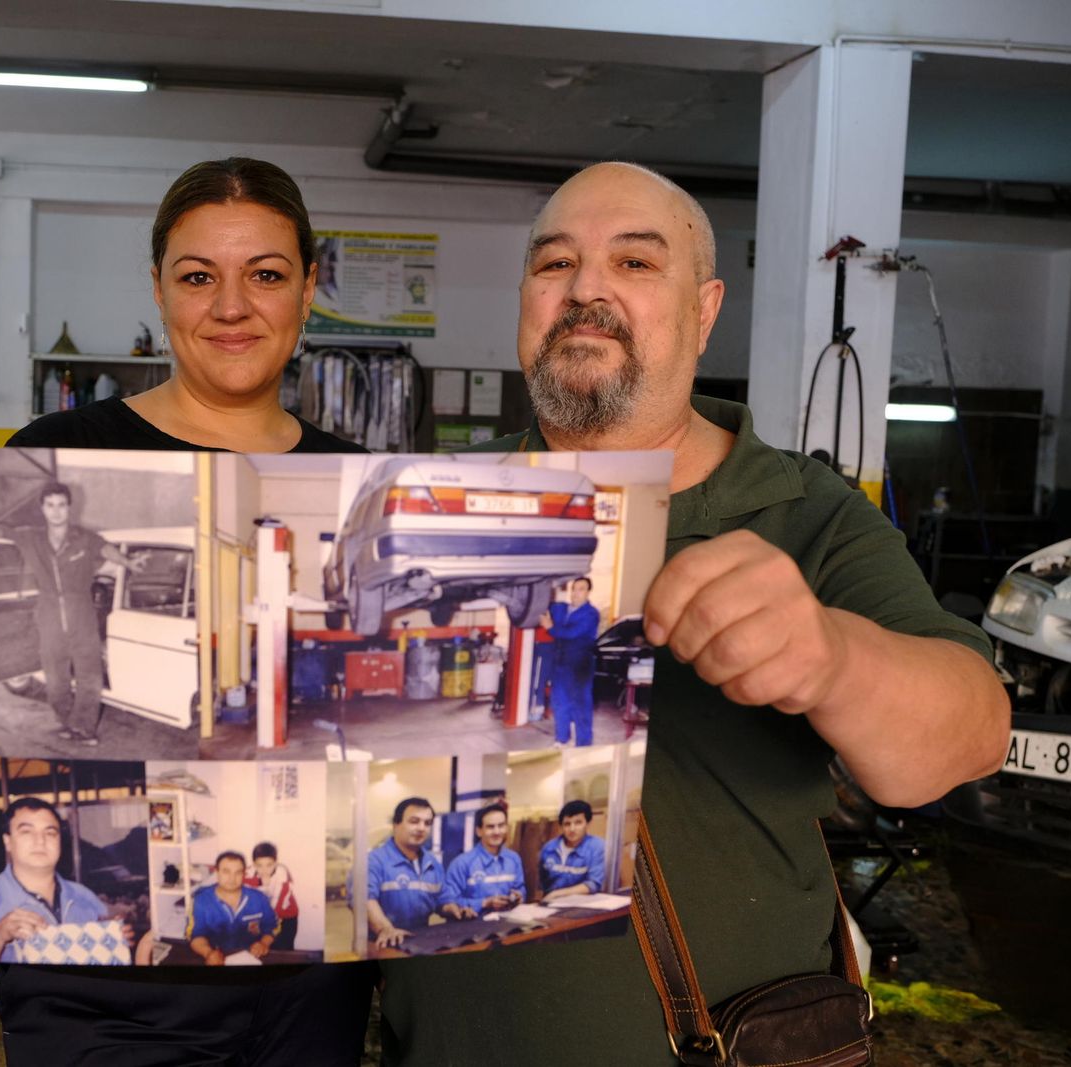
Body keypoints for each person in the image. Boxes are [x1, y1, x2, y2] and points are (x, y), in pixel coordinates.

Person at [377, 162, 1009, 1065]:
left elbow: (971, 732)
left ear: (705, 310)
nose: (585, 287)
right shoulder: (432, 504)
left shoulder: (806, 510)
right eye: (555, 264)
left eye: (634, 264)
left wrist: (837, 659)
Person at [0, 158, 373, 1067]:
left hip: (309, 988)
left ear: (309, 288)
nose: (231, 306)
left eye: (266, 274)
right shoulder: (58, 448)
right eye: (198, 276)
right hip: (100, 996)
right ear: (159, 287)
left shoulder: (354, 475)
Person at [0, 481, 143, 745]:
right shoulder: (31, 537)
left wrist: (128, 562)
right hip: (49, 613)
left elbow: (105, 548)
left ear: (69, 508)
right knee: (55, 678)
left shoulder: (84, 538)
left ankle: (85, 729)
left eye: (61, 505)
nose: (56, 511)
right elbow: (2, 530)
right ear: (42, 508)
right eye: (50, 505)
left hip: (81, 612)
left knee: (89, 674)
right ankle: (68, 722)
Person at [0, 797, 119, 963]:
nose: (40, 841)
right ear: (7, 841)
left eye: (50, 832)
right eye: (26, 831)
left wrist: (114, 939)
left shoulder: (84, 898)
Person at [365, 797, 448, 949]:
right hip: (381, 945)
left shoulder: (433, 864)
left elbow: (442, 899)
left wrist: (453, 908)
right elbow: (365, 901)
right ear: (396, 824)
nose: (421, 828)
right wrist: (385, 929)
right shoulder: (373, 861)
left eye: (427, 823)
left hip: (419, 943)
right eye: (414, 821)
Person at [188, 851, 279, 964]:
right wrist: (208, 953)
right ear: (217, 872)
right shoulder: (201, 900)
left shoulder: (259, 898)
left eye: (238, 872)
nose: (232, 878)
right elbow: (195, 935)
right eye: (226, 872)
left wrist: (264, 943)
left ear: (244, 874)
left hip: (252, 957)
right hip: (216, 956)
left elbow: (273, 927)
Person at [540, 576, 601, 746]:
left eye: (581, 589)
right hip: (560, 664)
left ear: (588, 592)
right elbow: (540, 605)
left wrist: (550, 627)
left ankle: (583, 744)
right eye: (574, 588)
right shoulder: (561, 608)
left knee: (580, 706)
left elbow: (572, 633)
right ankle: (561, 739)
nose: (576, 593)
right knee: (559, 703)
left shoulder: (591, 614)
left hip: (579, 666)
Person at [439, 804, 525, 917]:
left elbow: (521, 889)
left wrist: (519, 897)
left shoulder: (514, 859)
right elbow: (447, 902)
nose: (497, 832)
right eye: (490, 827)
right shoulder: (461, 863)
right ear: (479, 831)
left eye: (501, 825)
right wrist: (483, 903)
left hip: (508, 926)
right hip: (473, 929)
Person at [535, 800, 607, 901]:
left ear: (588, 823)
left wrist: (557, 894)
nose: (572, 829)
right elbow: (541, 883)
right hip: (550, 905)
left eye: (578, 823)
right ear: (561, 827)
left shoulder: (596, 847)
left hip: (582, 906)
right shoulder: (549, 848)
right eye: (567, 824)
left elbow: (593, 884)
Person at [246, 841, 300, 951]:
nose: (264, 870)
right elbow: (241, 882)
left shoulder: (282, 875)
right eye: (259, 865)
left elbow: (278, 906)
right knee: (260, 948)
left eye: (269, 865)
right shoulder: (250, 871)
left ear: (275, 863)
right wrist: (260, 882)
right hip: (264, 916)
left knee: (283, 949)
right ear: (254, 864)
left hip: (286, 916)